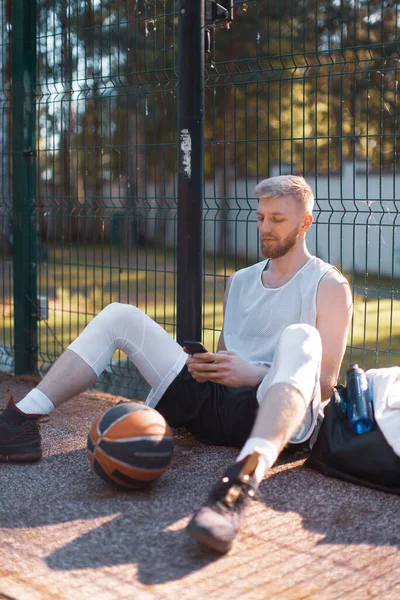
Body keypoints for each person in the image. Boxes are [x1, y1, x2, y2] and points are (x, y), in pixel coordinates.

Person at [0, 175, 352, 553]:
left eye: (277, 219)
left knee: (299, 336)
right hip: (217, 405)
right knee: (120, 315)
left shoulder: (329, 286)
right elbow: (224, 351)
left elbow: (324, 385)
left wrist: (253, 374)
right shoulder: (241, 281)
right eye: (261, 216)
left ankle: (239, 483)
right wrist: (207, 366)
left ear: (305, 223)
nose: (265, 227)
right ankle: (20, 421)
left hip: (277, 414)